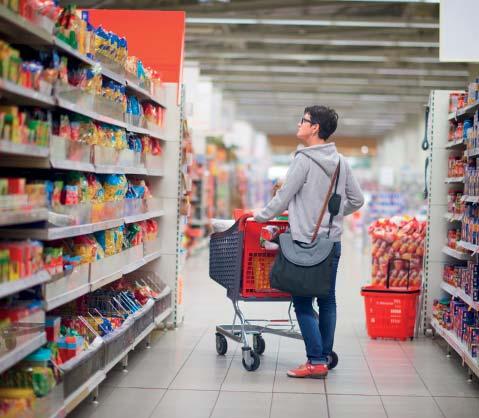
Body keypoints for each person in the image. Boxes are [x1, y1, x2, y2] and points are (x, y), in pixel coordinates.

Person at [253, 105, 364, 379]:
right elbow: (357, 200)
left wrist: (259, 216)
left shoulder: (303, 159)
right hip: (331, 242)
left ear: (315, 128)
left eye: (303, 120)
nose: (299, 124)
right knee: (327, 300)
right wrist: (333, 216)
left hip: (305, 242)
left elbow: (283, 198)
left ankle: (315, 361)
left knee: (302, 303)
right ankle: (324, 355)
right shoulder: (340, 162)